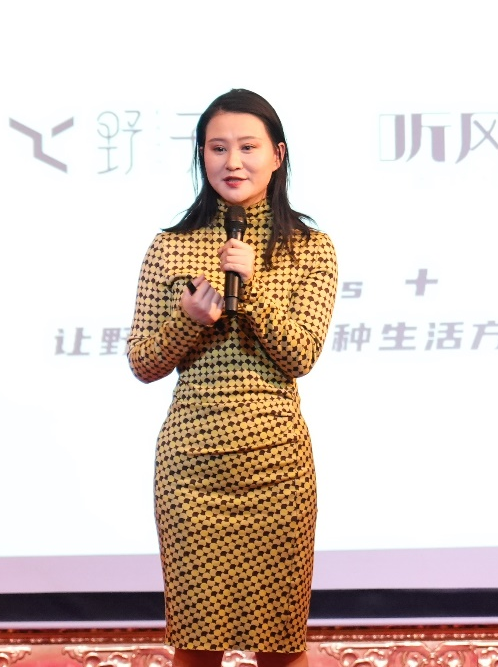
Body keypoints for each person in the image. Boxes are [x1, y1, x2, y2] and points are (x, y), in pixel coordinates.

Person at [127, 88, 338, 667]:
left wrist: (254, 288)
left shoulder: (311, 248)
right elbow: (143, 363)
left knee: (280, 648)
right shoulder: (169, 247)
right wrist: (187, 321)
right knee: (196, 649)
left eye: (248, 147)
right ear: (202, 155)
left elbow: (300, 354)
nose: (233, 161)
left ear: (278, 154)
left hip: (276, 469)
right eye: (217, 148)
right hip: (191, 470)